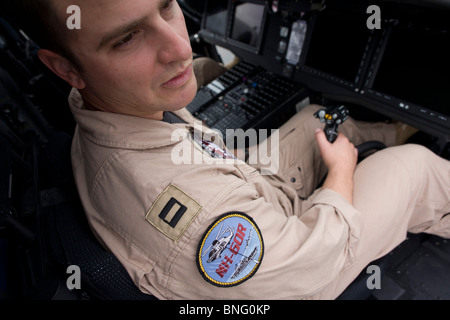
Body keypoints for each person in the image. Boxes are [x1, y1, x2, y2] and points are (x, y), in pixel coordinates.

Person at [7, 0, 449, 299]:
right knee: (413, 168)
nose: (180, 48)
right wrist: (342, 174)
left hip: (246, 186)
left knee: (318, 117)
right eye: (127, 39)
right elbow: (311, 269)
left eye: (165, 7)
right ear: (65, 68)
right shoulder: (191, 212)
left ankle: (398, 126)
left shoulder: (110, 107)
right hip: (296, 268)